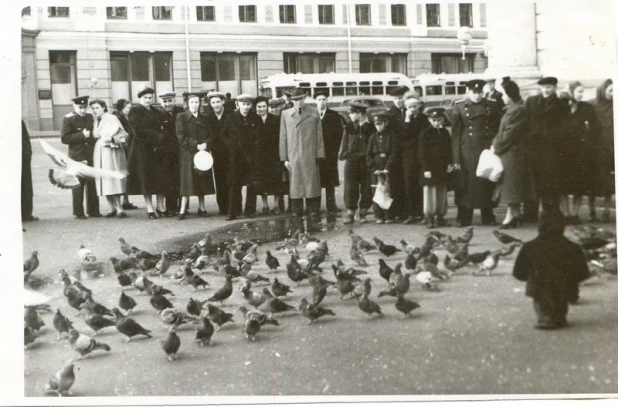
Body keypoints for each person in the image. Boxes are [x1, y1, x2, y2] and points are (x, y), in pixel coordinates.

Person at [513, 213, 591, 330]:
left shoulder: (530, 247)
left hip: (538, 284)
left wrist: (529, 277)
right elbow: (582, 272)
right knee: (561, 299)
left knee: (541, 299)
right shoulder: (572, 247)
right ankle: (558, 317)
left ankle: (545, 317)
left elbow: (519, 272)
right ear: (562, 227)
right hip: (564, 284)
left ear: (539, 227)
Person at [451, 79, 502, 227]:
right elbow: (456, 135)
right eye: (474, 92)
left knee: (486, 181)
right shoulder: (459, 106)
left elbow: (497, 128)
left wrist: (495, 147)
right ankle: (464, 217)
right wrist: (456, 158)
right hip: (467, 151)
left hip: (486, 149)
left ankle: (488, 215)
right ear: (468, 92)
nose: (477, 96)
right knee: (466, 184)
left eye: (480, 92)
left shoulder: (492, 105)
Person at [523, 77, 570, 221]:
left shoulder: (561, 103)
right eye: (543, 87)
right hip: (534, 148)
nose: (546, 90)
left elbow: (564, 126)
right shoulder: (531, 102)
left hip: (552, 150)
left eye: (549, 87)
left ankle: (551, 214)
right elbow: (525, 122)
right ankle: (530, 215)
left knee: (551, 182)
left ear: (555, 88)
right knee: (533, 181)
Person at [491, 78, 535, 229]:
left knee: (511, 187)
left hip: (513, 153)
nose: (502, 97)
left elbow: (510, 133)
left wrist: (495, 146)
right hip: (510, 152)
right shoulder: (514, 108)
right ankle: (515, 215)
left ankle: (510, 217)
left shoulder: (518, 109)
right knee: (511, 186)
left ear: (509, 95)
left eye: (503, 94)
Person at [279, 87, 325, 226]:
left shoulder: (314, 112)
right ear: (291, 100)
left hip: (310, 154)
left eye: (300, 99)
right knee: (296, 184)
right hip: (293, 155)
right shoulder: (286, 114)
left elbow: (319, 135)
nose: (298, 102)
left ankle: (313, 210)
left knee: (312, 184)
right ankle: (296, 211)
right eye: (295, 100)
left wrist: (319, 154)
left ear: (305, 98)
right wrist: (284, 158)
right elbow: (283, 136)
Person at [560, 81, 601, 223]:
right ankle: (565, 214)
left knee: (579, 184)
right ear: (571, 92)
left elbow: (597, 128)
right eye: (578, 91)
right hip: (563, 152)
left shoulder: (587, 108)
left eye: (582, 91)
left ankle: (575, 214)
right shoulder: (562, 107)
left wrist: (587, 136)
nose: (581, 94)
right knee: (563, 185)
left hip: (580, 152)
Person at [127, 86, 170, 219]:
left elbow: (163, 126)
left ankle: (160, 207)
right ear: (139, 98)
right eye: (145, 98)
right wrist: (156, 134)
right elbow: (137, 131)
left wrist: (161, 135)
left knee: (160, 177)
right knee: (146, 178)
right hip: (142, 149)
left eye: (150, 98)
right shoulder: (135, 111)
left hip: (157, 149)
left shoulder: (156, 111)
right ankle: (150, 208)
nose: (148, 100)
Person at [220, 94, 261, 220]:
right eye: (243, 104)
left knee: (251, 184)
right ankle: (233, 212)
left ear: (251, 105)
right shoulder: (231, 117)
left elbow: (260, 137)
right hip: (235, 158)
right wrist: (231, 146)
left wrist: (255, 151)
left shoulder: (256, 118)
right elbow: (223, 135)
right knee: (234, 185)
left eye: (248, 104)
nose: (246, 107)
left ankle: (250, 211)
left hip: (251, 158)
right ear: (238, 104)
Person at [175, 92, 216, 220]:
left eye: (197, 102)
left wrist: (205, 144)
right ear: (187, 104)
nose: (195, 105)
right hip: (189, 153)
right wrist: (195, 145)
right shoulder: (181, 117)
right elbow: (181, 136)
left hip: (202, 153)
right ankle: (182, 210)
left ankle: (202, 208)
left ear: (200, 104)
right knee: (187, 183)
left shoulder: (205, 118)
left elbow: (211, 135)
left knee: (201, 181)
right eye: (192, 102)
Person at [60, 95, 101, 219]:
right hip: (76, 157)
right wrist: (81, 135)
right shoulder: (68, 119)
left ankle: (93, 210)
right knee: (78, 185)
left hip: (90, 154)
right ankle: (78, 212)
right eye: (80, 107)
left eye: (84, 107)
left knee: (92, 184)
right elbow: (65, 138)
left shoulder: (89, 117)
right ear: (74, 106)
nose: (83, 110)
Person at [89, 99, 129, 218]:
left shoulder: (111, 118)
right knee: (104, 179)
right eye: (93, 108)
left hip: (111, 151)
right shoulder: (94, 120)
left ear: (103, 107)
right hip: (99, 151)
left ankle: (119, 208)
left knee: (112, 179)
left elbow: (124, 136)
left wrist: (112, 139)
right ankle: (112, 207)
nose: (95, 110)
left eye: (97, 108)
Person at [339, 101, 375, 224]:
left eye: (351, 113)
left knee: (367, 187)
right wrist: (344, 153)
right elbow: (344, 142)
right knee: (350, 187)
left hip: (366, 161)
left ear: (359, 113)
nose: (349, 115)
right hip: (352, 161)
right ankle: (350, 213)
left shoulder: (371, 127)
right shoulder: (349, 127)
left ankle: (363, 212)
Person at [418, 107, 452, 229]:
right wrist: (426, 169)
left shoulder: (445, 133)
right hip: (430, 168)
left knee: (441, 192)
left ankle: (440, 215)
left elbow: (448, 150)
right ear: (429, 120)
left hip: (442, 167)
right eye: (434, 120)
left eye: (439, 119)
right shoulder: (425, 133)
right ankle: (430, 217)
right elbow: (422, 153)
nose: (437, 122)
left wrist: (449, 163)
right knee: (430, 192)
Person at [401, 91, 430, 224]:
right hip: (409, 155)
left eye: (415, 106)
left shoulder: (424, 118)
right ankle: (411, 213)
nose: (412, 109)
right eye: (410, 107)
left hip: (422, 154)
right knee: (409, 184)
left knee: (421, 183)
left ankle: (422, 213)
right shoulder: (404, 118)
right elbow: (404, 135)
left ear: (419, 105)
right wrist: (407, 119)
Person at [314, 90, 344, 215]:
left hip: (330, 152)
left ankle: (331, 206)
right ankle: (315, 207)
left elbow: (339, 134)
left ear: (327, 101)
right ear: (315, 101)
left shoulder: (334, 115)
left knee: (330, 180)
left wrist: (335, 150)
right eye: (319, 99)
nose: (321, 102)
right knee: (316, 179)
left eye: (324, 99)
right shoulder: (312, 115)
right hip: (315, 153)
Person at [254, 96, 284, 215]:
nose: (262, 109)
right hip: (259, 156)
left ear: (267, 107)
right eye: (259, 107)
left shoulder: (275, 119)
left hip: (274, 155)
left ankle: (276, 205)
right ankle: (265, 205)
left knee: (276, 180)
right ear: (256, 108)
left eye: (264, 106)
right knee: (262, 181)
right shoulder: (253, 120)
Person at [366, 113, 398, 224]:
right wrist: (373, 167)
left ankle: (389, 215)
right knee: (377, 191)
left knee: (389, 190)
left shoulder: (392, 135)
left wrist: (388, 166)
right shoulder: (372, 137)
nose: (378, 126)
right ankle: (379, 215)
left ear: (386, 123)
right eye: (376, 124)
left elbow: (394, 152)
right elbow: (368, 155)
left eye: (380, 124)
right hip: (376, 168)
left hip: (388, 167)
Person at [156, 92, 184, 217]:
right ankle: (171, 207)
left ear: (174, 100)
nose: (167, 104)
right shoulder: (158, 114)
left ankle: (183, 206)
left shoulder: (180, 111)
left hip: (180, 149)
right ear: (161, 102)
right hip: (166, 151)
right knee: (169, 179)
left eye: (170, 101)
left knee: (181, 178)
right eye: (165, 101)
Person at [205, 91, 232, 216]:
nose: (216, 105)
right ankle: (223, 207)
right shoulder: (209, 117)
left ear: (223, 101)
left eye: (217, 102)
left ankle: (233, 207)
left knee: (231, 180)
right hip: (216, 153)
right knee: (220, 180)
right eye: (213, 102)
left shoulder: (230, 115)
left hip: (230, 152)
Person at [593, 78, 615, 222]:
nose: (613, 94)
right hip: (596, 147)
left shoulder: (615, 105)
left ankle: (606, 209)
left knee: (609, 179)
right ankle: (591, 210)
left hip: (611, 147)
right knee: (593, 178)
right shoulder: (592, 105)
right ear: (603, 90)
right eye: (610, 90)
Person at [385, 86, 409, 220]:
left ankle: (407, 211)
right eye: (395, 98)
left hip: (408, 152)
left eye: (400, 98)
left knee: (408, 182)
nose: (398, 101)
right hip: (395, 153)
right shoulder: (389, 115)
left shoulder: (410, 111)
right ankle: (396, 211)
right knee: (395, 183)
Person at [112, 99, 138, 211]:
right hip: (123, 149)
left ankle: (125, 200)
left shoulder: (129, 118)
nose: (130, 109)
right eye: (128, 108)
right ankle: (123, 201)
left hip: (130, 147)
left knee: (127, 174)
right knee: (123, 173)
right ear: (122, 109)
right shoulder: (118, 119)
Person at [21, 120, 38, 222]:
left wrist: (28, 154)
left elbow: (25, 139)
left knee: (26, 187)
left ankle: (26, 213)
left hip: (22, 159)